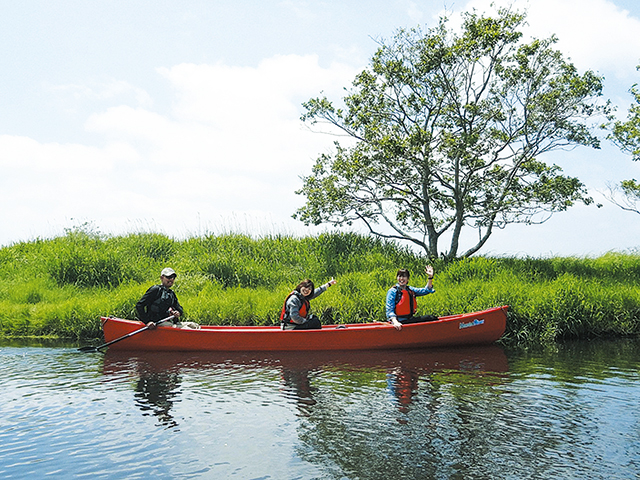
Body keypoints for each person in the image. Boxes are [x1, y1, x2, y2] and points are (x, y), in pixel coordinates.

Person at [385, 265, 438, 330]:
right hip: (398, 322)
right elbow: (389, 310)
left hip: (409, 319)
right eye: (399, 276)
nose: (401, 278)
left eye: (404, 276)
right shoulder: (392, 291)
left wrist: (430, 277)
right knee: (430, 318)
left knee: (431, 318)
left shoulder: (410, 290)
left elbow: (426, 290)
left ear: (408, 279)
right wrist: (395, 322)